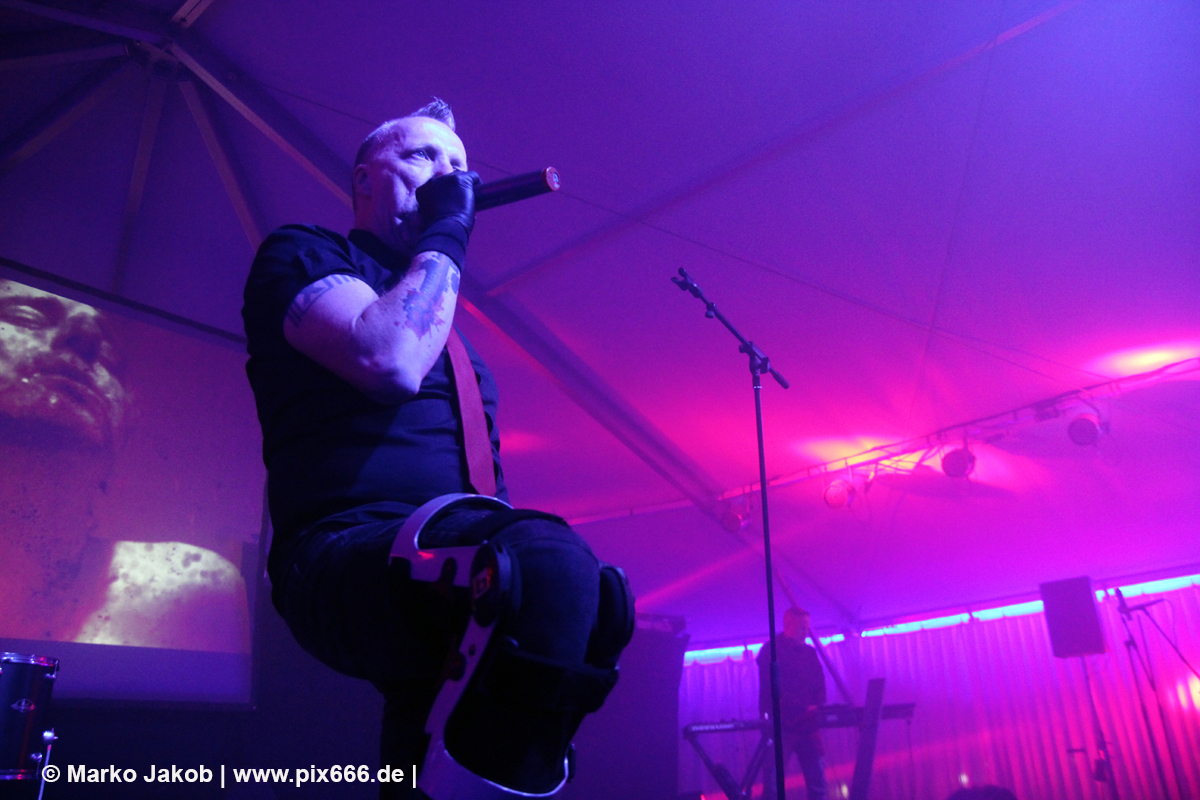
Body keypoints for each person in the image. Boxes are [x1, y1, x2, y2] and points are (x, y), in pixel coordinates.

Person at [241, 99, 627, 798]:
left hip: (440, 549)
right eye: (423, 157)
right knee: (543, 563)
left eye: (460, 167)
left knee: (595, 603)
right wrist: (448, 231)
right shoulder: (304, 253)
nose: (450, 178)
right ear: (364, 180)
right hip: (338, 552)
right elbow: (388, 358)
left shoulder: (454, 335)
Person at [0, 278, 249, 650]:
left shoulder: (185, 594)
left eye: (109, 359)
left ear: (125, 422)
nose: (83, 337)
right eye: (26, 317)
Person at [758, 606, 828, 800]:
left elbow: (820, 683)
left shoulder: (809, 653)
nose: (805, 633)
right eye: (801, 628)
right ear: (787, 626)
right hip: (781, 725)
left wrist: (818, 705)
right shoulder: (771, 651)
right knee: (774, 784)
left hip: (807, 723)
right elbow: (772, 688)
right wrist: (805, 707)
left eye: (807, 628)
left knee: (817, 780)